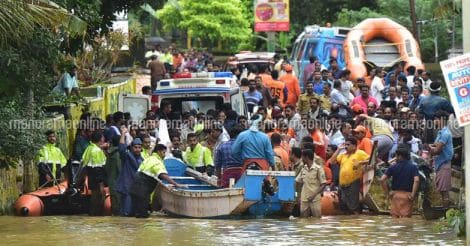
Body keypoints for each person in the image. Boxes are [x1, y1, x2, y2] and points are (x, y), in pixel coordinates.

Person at [129, 144, 185, 218]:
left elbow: (154, 177)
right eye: (163, 152)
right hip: (142, 191)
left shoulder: (149, 159)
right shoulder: (157, 161)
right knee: (143, 216)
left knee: (137, 214)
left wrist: (166, 187)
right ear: (158, 152)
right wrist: (176, 184)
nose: (164, 155)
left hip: (134, 188)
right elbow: (162, 175)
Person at [328, 137, 369, 214]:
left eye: (348, 145)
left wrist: (360, 163)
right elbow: (332, 161)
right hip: (342, 185)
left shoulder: (360, 153)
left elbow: (372, 160)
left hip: (353, 183)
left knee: (353, 207)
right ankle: (347, 224)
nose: (346, 146)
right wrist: (339, 149)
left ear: (354, 146)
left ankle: (355, 223)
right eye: (345, 144)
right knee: (343, 207)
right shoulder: (343, 155)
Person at [380, 144, 419, 218]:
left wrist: (388, 193)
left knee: (394, 219)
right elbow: (416, 180)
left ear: (400, 156)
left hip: (395, 195)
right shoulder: (413, 167)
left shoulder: (393, 167)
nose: (395, 158)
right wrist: (413, 195)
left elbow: (382, 179)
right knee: (406, 220)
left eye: (396, 156)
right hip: (407, 196)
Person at [115, 128, 144, 216]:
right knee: (126, 213)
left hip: (136, 189)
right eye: (135, 147)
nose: (137, 149)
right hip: (127, 188)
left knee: (133, 214)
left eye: (139, 147)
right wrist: (123, 133)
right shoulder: (127, 156)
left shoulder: (142, 159)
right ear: (131, 147)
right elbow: (121, 148)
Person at [428, 110, 453, 208]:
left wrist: (430, 149)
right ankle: (444, 209)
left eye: (435, 119)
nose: (434, 121)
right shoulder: (440, 132)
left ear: (441, 120)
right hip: (439, 163)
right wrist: (432, 147)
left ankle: (445, 211)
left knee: (444, 190)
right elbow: (436, 145)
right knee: (442, 190)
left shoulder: (445, 133)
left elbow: (437, 150)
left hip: (444, 163)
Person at [81, 131, 107, 216]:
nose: (104, 139)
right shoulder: (96, 150)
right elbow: (97, 167)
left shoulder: (89, 148)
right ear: (100, 139)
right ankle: (95, 215)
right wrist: (100, 183)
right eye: (103, 138)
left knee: (94, 197)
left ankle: (93, 215)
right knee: (98, 197)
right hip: (96, 177)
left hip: (90, 175)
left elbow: (84, 163)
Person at [295, 149, 327, 218]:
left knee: (317, 219)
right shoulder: (303, 169)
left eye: (302, 157)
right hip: (304, 199)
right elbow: (297, 182)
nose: (301, 159)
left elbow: (323, 184)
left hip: (315, 199)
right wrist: (297, 196)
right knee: (303, 219)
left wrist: (313, 195)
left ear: (306, 157)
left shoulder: (318, 169)